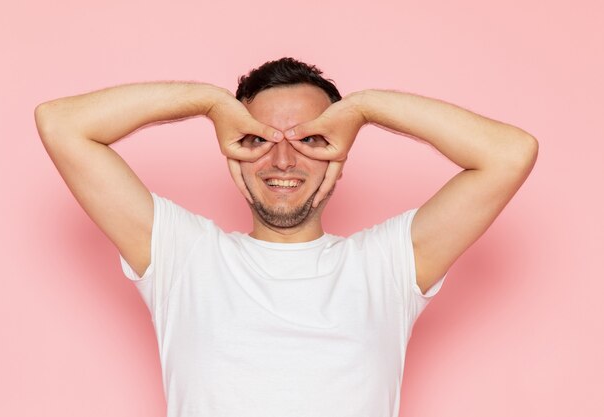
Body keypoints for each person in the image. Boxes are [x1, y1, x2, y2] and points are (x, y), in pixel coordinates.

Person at [34, 57, 538, 417]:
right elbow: (61, 123)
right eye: (258, 139)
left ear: (341, 158)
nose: (282, 160)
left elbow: (509, 153)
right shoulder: (181, 255)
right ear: (232, 152)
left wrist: (364, 109)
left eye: (310, 140)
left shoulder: (387, 264)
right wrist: (208, 102)